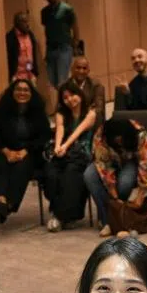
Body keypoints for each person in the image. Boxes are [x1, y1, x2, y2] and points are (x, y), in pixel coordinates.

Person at [0, 77, 51, 222]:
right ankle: (2, 201)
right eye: (19, 89)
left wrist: (26, 150)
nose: (22, 93)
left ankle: (10, 204)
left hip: (30, 152)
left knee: (23, 166)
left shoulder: (38, 112)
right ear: (12, 92)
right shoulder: (1, 112)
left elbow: (44, 136)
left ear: (31, 94)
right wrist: (6, 151)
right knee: (0, 164)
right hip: (5, 150)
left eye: (26, 90)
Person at [84, 117, 147, 236]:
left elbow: (146, 163)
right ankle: (107, 220)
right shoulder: (102, 134)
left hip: (131, 162)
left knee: (125, 182)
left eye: (121, 139)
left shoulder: (139, 133)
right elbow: (102, 163)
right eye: (115, 139)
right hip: (110, 162)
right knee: (89, 175)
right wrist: (112, 192)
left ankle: (122, 220)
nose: (118, 141)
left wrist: (141, 195)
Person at [44, 80, 96, 230]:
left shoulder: (90, 113)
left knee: (71, 173)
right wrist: (58, 146)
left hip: (82, 152)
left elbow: (78, 131)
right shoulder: (61, 113)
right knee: (51, 173)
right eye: (65, 98)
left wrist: (65, 146)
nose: (69, 100)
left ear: (79, 94)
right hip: (64, 151)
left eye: (72, 95)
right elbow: (59, 129)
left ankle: (61, 216)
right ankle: (59, 213)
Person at [40, 0, 78, 88]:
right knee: (51, 81)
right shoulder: (44, 12)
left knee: (62, 80)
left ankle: (63, 103)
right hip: (50, 49)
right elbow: (47, 29)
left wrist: (75, 45)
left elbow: (75, 28)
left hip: (64, 48)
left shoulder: (67, 9)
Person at [5, 11, 39, 83]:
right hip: (16, 76)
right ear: (17, 23)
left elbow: (30, 55)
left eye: (27, 21)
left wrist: (32, 72)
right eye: (24, 22)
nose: (27, 25)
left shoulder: (30, 35)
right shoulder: (10, 37)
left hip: (29, 74)